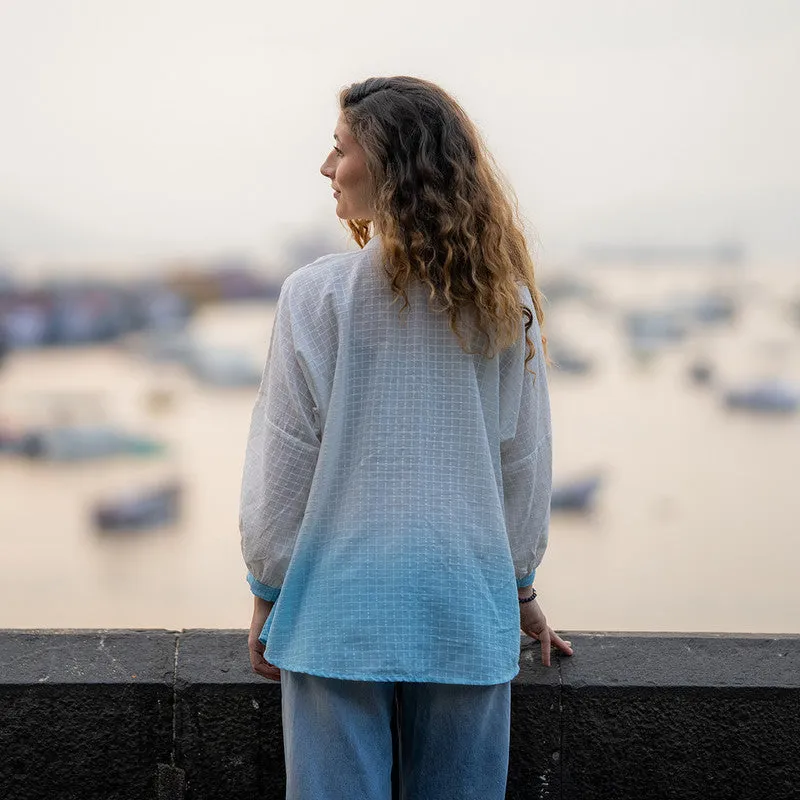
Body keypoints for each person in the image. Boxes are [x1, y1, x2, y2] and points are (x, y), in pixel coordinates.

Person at [239, 75, 573, 800]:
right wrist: (520, 592)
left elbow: (287, 456)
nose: (327, 168)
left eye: (340, 149)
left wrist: (269, 589)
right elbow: (523, 462)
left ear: (387, 163)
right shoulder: (503, 303)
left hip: (336, 609)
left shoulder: (317, 295)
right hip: (467, 606)